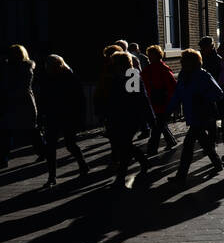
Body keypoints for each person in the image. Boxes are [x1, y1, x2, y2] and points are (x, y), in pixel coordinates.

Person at [97, 49, 154, 189]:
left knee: (124, 144)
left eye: (115, 62)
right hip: (120, 116)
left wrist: (149, 118)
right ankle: (143, 162)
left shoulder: (131, 76)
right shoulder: (117, 77)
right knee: (125, 144)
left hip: (130, 116)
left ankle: (121, 176)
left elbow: (139, 99)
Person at [166, 48, 224, 183]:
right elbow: (178, 95)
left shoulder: (203, 75)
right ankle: (217, 163)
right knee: (204, 142)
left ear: (192, 61)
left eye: (184, 60)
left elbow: (219, 93)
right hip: (192, 115)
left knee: (188, 145)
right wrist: (169, 109)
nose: (181, 62)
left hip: (203, 114)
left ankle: (181, 175)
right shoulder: (183, 76)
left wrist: (203, 96)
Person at [38, 54, 88, 187]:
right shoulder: (68, 78)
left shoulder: (65, 78)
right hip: (60, 115)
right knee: (64, 145)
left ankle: (53, 176)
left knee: (64, 145)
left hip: (62, 115)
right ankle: (54, 175)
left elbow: (79, 100)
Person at [0, 44, 44, 168]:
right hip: (16, 103)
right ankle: (3, 158)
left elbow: (22, 86)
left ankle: (43, 151)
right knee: (7, 132)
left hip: (22, 103)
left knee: (31, 131)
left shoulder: (25, 68)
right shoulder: (9, 68)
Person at [142, 45, 178, 154]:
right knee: (160, 124)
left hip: (161, 101)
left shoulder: (162, 69)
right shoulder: (150, 69)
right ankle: (170, 141)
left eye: (151, 55)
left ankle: (152, 148)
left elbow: (172, 86)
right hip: (154, 101)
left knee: (157, 126)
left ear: (157, 56)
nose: (149, 57)